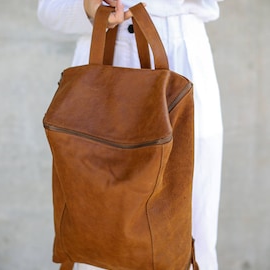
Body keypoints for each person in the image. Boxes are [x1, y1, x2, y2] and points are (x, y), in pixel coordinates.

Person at [37, 0, 223, 269]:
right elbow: (49, 10)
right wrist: (89, 6)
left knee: (191, 237)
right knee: (99, 243)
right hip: (98, 86)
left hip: (182, 66)